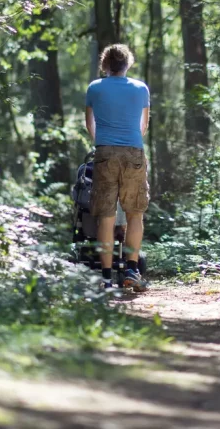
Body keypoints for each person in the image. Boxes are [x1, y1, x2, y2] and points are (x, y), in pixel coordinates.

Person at [85, 43, 151, 292]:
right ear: (128, 64)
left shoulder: (95, 88)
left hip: (104, 152)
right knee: (135, 212)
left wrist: (102, 143)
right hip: (133, 151)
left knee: (106, 215)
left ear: (105, 64)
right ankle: (132, 271)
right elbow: (143, 126)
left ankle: (105, 277)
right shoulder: (140, 88)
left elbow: (90, 124)